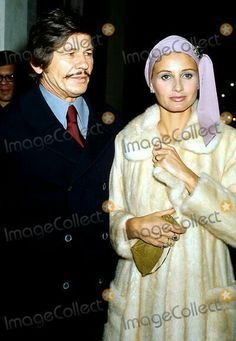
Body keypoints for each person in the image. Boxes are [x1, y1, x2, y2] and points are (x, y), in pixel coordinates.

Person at [103, 35, 236, 340]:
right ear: (151, 83)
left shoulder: (226, 142)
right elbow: (114, 213)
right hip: (139, 312)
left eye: (187, 75)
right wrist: (132, 226)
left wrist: (189, 177)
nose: (178, 87)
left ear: (200, 80)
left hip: (202, 316)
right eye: (166, 76)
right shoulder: (128, 141)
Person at [0, 8, 122, 339]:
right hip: (37, 303)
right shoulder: (9, 127)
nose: (83, 63)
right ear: (38, 64)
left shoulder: (113, 122)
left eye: (88, 51)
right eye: (69, 52)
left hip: (100, 296)